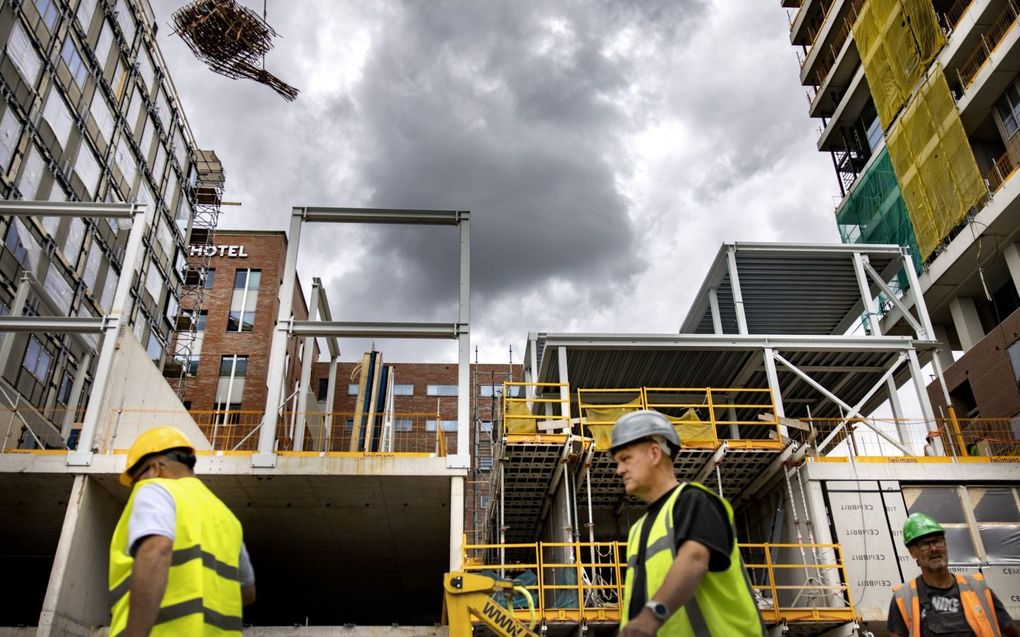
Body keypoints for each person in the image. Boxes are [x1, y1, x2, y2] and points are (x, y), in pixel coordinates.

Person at [611, 410, 766, 637]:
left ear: (655, 453)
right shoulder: (638, 529)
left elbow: (694, 558)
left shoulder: (694, 500)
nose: (619, 470)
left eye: (625, 459)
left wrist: (651, 616)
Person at [109, 426, 255, 636]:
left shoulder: (155, 489)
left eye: (135, 480)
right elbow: (248, 592)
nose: (136, 488)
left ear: (154, 467)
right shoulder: (226, 517)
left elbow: (156, 549)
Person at [888, 512, 1018, 637]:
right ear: (912, 552)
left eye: (938, 541)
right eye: (925, 544)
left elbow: (1013, 632)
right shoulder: (903, 599)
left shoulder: (979, 589)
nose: (934, 548)